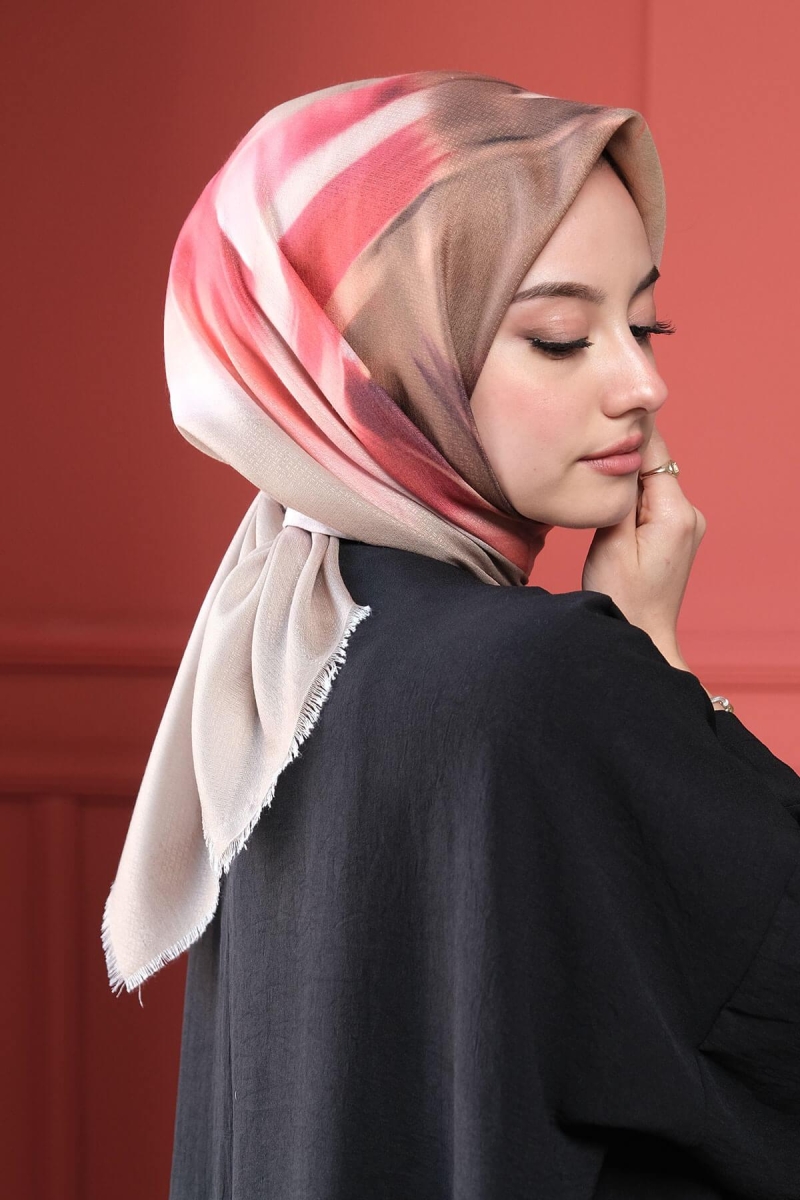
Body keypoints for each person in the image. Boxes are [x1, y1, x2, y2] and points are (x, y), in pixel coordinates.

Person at [102, 71, 800, 1198]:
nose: (643, 382)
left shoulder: (279, 655)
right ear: (384, 362)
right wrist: (654, 661)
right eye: (561, 338)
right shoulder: (543, 675)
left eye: (643, 324)